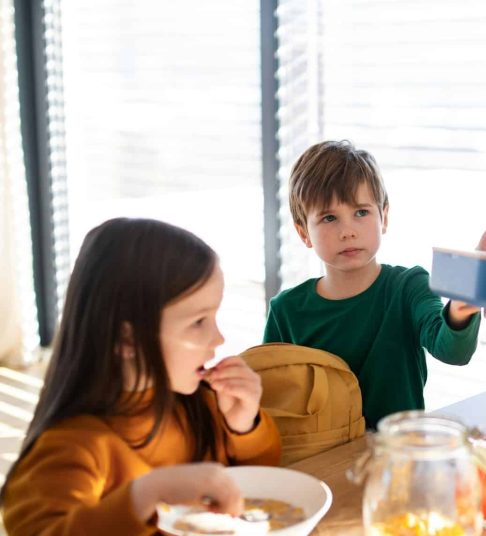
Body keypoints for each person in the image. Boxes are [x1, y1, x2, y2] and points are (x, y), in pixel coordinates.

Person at [1, 218, 281, 534]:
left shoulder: (201, 403)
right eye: (198, 322)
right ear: (127, 341)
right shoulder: (72, 446)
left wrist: (243, 425)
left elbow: (259, 487)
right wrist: (145, 495)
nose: (218, 339)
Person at [264, 140, 486, 427]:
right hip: (319, 459)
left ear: (384, 217)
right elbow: (273, 399)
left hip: (398, 455)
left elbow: (454, 351)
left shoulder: (409, 287)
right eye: (329, 218)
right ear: (303, 233)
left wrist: (460, 308)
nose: (348, 232)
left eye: (361, 212)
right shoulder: (286, 310)